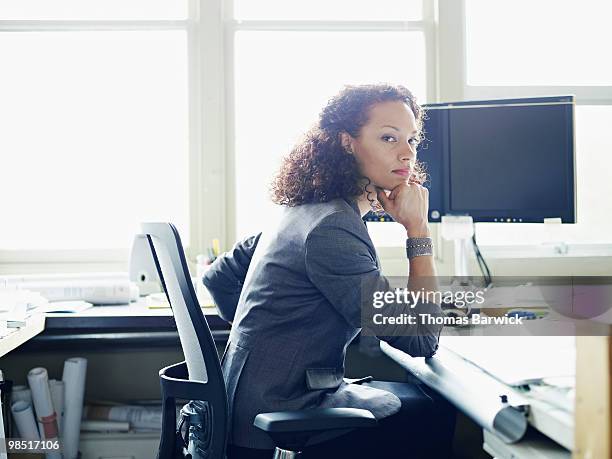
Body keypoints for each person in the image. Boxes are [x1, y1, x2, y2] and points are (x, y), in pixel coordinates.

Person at [203, 84, 456, 458]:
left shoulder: (303, 209)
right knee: (435, 412)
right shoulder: (333, 228)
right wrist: (418, 231)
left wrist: (273, 337)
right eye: (389, 138)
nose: (407, 153)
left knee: (416, 400)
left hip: (244, 407)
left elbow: (218, 277)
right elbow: (422, 340)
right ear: (346, 142)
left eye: (412, 140)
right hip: (278, 420)